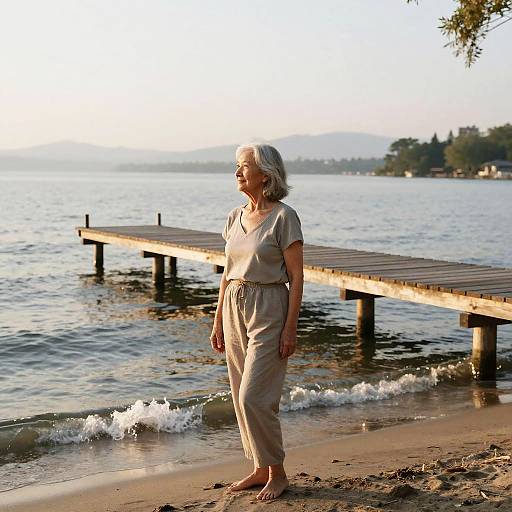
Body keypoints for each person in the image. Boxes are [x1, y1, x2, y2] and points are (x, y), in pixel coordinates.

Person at [210, 143, 304, 501]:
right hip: (234, 304)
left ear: (265, 174)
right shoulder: (234, 216)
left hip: (269, 305)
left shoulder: (284, 217)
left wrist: (291, 327)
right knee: (238, 394)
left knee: (255, 396)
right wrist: (217, 318)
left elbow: (296, 277)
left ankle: (277, 472)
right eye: (236, 166)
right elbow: (227, 273)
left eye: (243, 166)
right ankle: (259, 467)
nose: (237, 172)